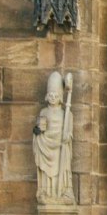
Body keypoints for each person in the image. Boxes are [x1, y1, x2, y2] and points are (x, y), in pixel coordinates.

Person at [34, 71, 75, 203]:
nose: (52, 97)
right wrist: (38, 131)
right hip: (46, 147)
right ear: (47, 95)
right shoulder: (44, 112)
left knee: (60, 171)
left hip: (59, 148)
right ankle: (47, 193)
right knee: (47, 173)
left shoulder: (67, 114)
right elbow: (38, 129)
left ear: (60, 97)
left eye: (55, 95)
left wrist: (67, 136)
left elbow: (69, 132)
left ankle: (63, 193)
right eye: (50, 95)